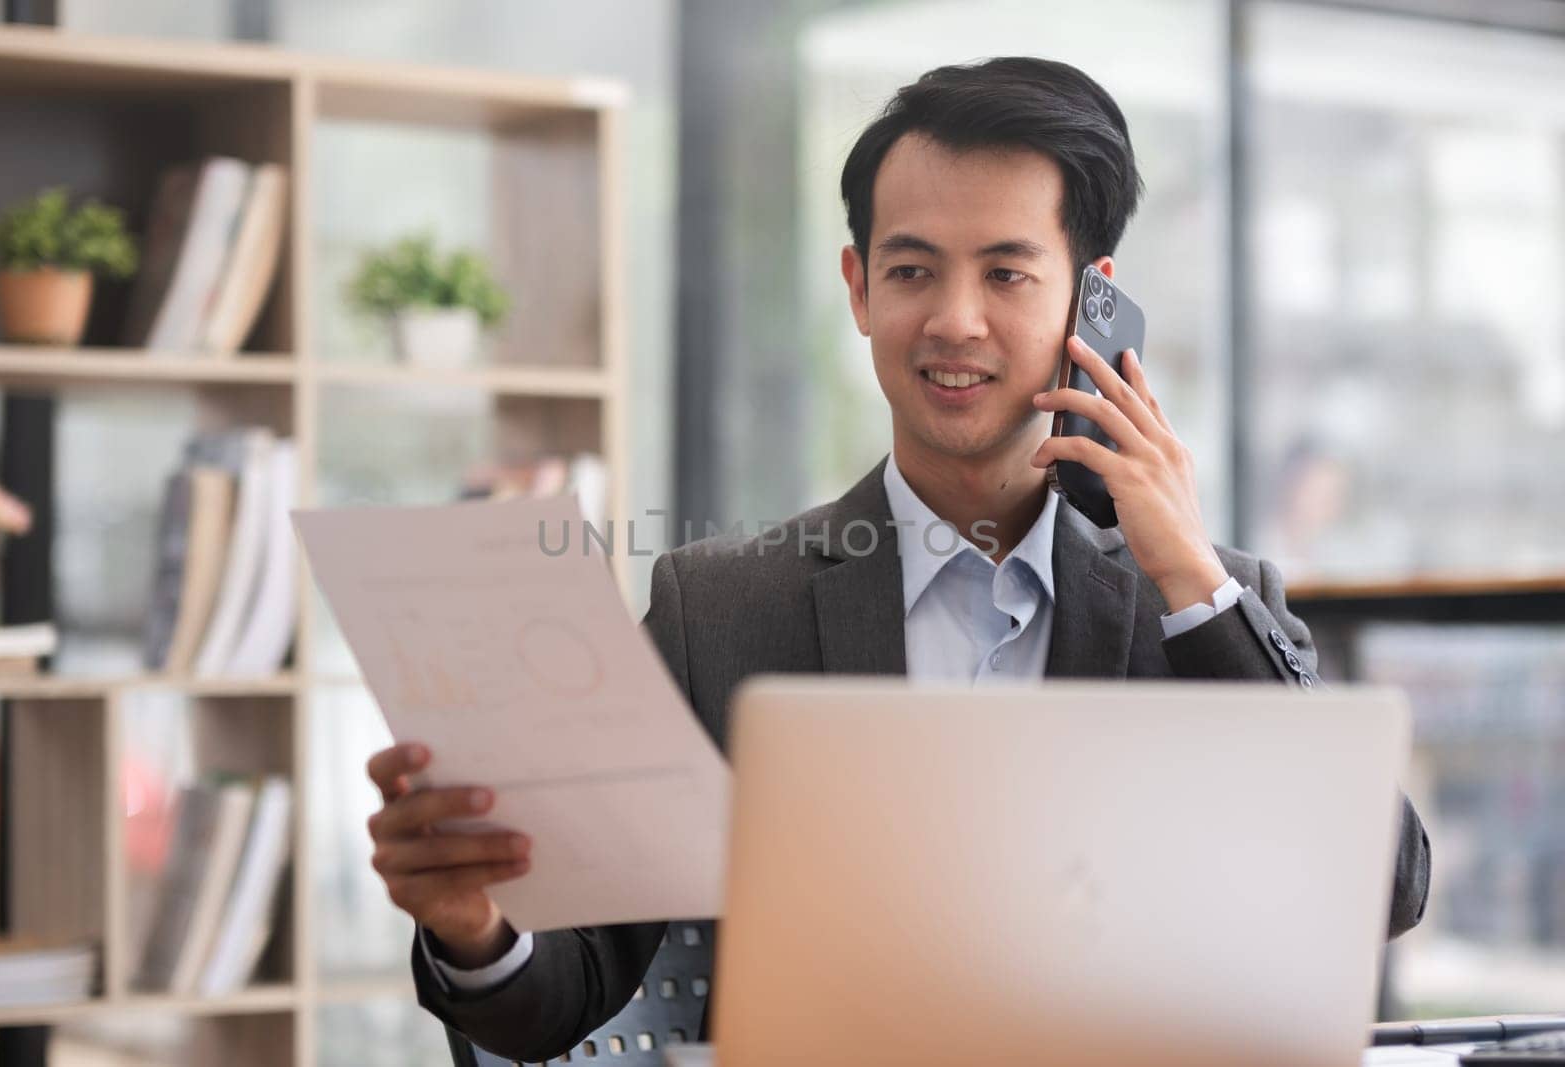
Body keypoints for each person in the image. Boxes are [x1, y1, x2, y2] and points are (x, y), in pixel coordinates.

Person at [367, 57, 1432, 1062]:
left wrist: (1194, 581)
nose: (953, 320)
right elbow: (570, 991)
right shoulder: (722, 608)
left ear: (1089, 300)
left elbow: (1379, 889)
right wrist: (474, 926)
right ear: (859, 288)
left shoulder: (1201, 602)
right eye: (912, 269)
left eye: (1007, 272)